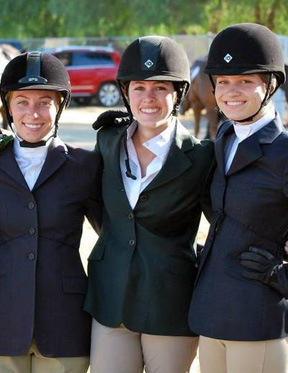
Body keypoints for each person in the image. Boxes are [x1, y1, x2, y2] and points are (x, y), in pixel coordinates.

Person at [0, 51, 102, 373]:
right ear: (8, 107)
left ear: (60, 106)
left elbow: (115, 232)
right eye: (22, 102)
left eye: (44, 102)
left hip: (65, 320)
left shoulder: (85, 165)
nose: (33, 113)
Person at [83, 36, 214, 373]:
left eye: (160, 88)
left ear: (179, 93)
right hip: (111, 296)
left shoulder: (202, 156)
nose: (149, 98)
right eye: (139, 87)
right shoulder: (107, 140)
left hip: (170, 301)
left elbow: (222, 220)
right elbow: (99, 208)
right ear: (125, 93)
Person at [188, 23, 288, 373]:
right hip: (211, 312)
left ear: (270, 84)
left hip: (256, 315)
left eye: (245, 80)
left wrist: (282, 274)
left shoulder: (284, 152)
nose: (231, 91)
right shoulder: (225, 136)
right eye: (223, 81)